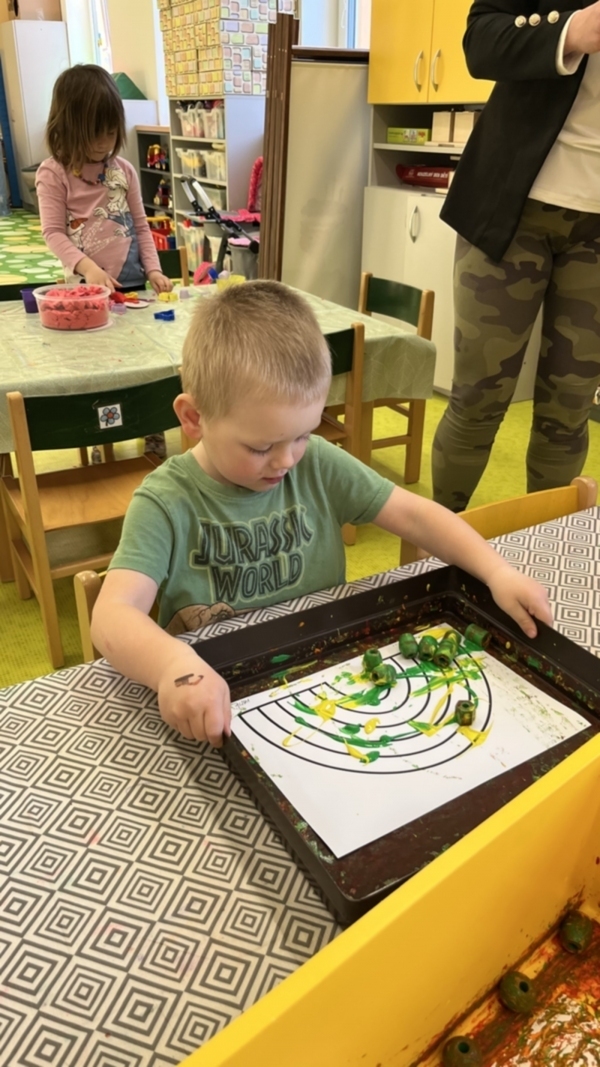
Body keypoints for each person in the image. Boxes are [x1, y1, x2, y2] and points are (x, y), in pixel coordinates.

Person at [91, 281, 553, 747]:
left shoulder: (316, 463)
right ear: (194, 419)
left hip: (326, 674)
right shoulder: (165, 501)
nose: (286, 461)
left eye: (302, 434)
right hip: (214, 694)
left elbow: (415, 516)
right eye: (260, 447)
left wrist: (496, 571)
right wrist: (172, 665)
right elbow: (112, 615)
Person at [434, 1, 600, 512]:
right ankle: (438, 545)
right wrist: (572, 32)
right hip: (508, 208)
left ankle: (547, 547)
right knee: (478, 399)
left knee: (569, 412)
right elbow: (480, 42)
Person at [36, 64, 173, 296]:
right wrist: (89, 269)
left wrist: (154, 271)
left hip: (132, 282)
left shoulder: (125, 171)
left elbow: (141, 228)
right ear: (68, 128)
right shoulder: (53, 173)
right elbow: (53, 233)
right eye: (94, 134)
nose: (104, 143)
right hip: (86, 286)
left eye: (111, 133)